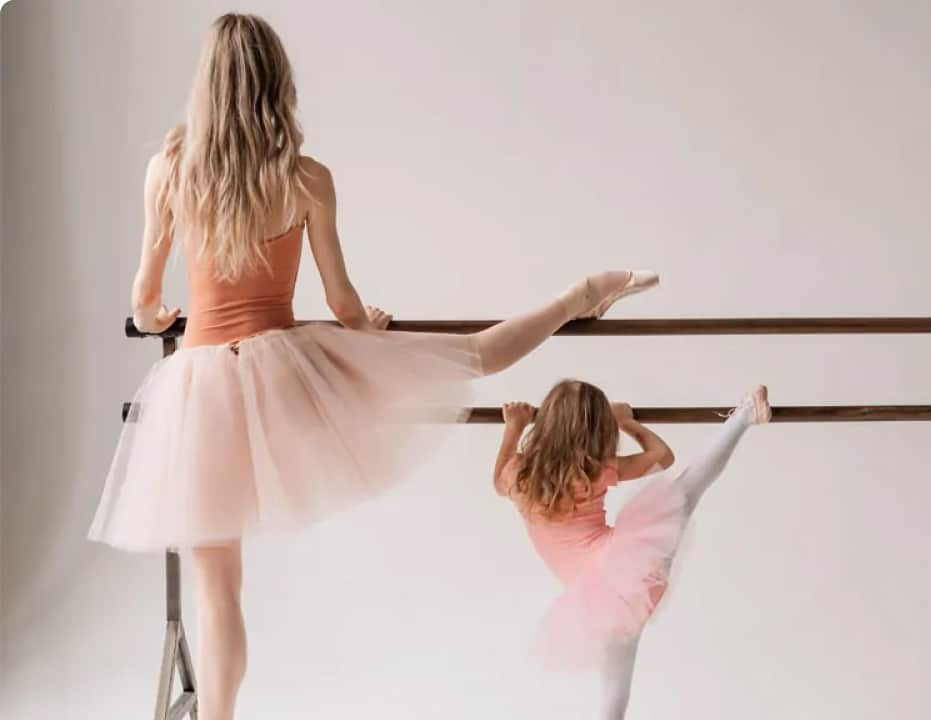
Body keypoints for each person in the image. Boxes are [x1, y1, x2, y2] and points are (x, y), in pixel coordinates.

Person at [87, 13, 657, 720]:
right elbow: (342, 300)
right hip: (284, 379)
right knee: (471, 355)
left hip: (202, 387)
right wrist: (370, 337)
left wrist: (162, 320)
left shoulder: (169, 170)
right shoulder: (305, 178)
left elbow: (144, 302)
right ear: (274, 84)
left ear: (205, 86)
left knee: (218, 588)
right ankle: (581, 294)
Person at [495, 380, 771, 719]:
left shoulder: (519, 474)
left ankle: (744, 415)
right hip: (624, 570)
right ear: (597, 428)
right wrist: (626, 422)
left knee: (615, 689)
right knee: (687, 489)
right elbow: (663, 457)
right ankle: (744, 416)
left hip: (599, 591)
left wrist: (514, 426)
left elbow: (497, 481)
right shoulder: (595, 470)